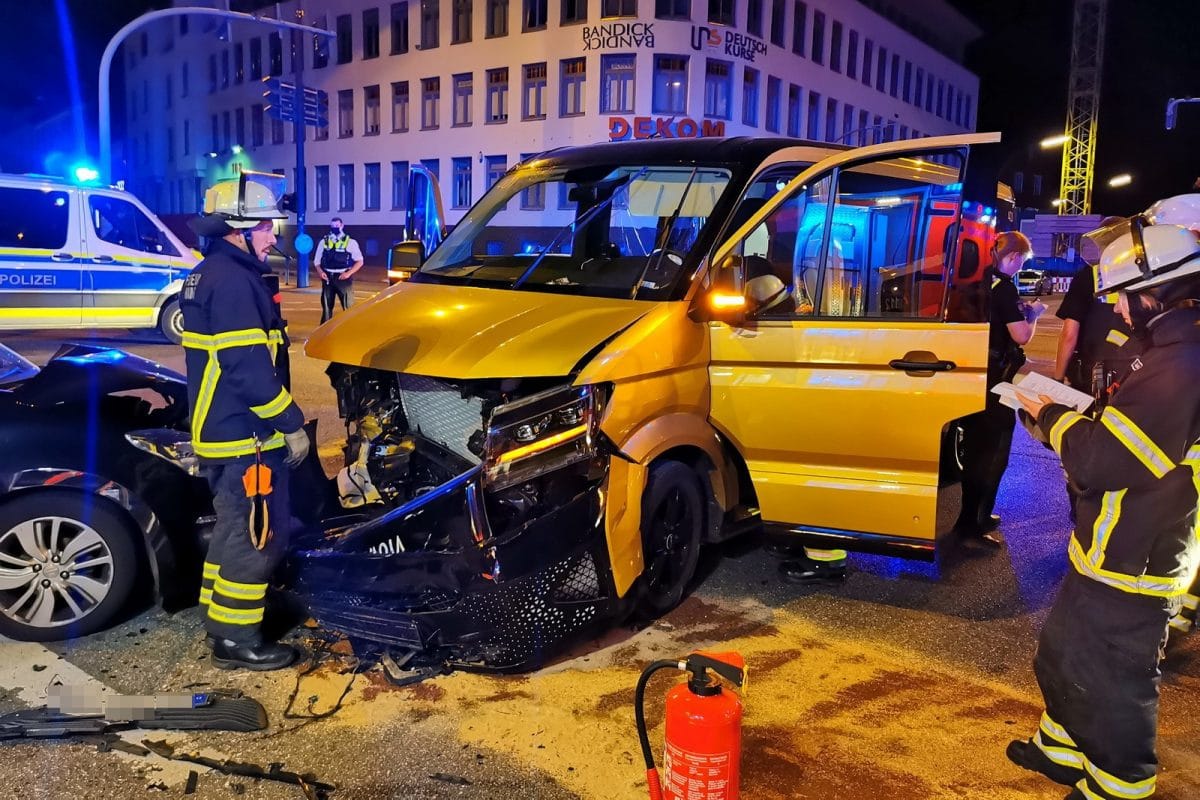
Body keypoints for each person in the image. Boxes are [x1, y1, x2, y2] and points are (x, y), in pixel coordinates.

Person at [1008, 218, 1200, 800]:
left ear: (1160, 291)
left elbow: (1105, 460)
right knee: (1065, 650)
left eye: (1126, 296)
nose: (1117, 309)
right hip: (1112, 541)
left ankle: (1118, 786)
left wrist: (1047, 414)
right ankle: (1062, 748)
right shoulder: (1171, 348)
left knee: (1114, 676)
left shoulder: (1182, 363)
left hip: (1138, 552)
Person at [182, 172, 311, 671]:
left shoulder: (208, 272)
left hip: (222, 431)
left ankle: (225, 618)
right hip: (245, 436)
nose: (272, 235)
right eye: (265, 227)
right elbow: (249, 370)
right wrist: (291, 423)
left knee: (232, 531)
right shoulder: (235, 282)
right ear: (239, 228)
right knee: (258, 535)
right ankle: (238, 640)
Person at [741, 273, 847, 584]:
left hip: (803, 419)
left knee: (811, 490)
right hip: (809, 415)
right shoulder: (795, 318)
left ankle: (825, 563)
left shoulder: (775, 328)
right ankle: (797, 541)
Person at [954, 231, 1045, 547]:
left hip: (975, 376)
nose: (1020, 267)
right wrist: (1033, 316)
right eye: (1021, 261)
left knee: (977, 451)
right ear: (1015, 257)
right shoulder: (1005, 289)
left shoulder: (977, 281)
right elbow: (1020, 336)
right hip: (996, 383)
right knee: (993, 454)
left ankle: (972, 517)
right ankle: (972, 527)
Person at [1053, 217, 1141, 523]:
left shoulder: (1089, 276)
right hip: (1136, 376)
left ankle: (1082, 514)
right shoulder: (1145, 274)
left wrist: (1058, 376)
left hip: (1088, 377)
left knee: (1082, 444)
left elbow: (1069, 334)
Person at [313, 217, 363, 323]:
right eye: (333, 226)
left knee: (349, 307)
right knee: (326, 308)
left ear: (342, 225)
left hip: (343, 278)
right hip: (328, 277)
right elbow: (316, 261)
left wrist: (348, 273)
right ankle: (324, 332)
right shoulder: (324, 242)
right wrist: (320, 272)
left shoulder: (350, 242)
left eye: (337, 226)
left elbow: (360, 261)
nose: (335, 228)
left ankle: (350, 329)